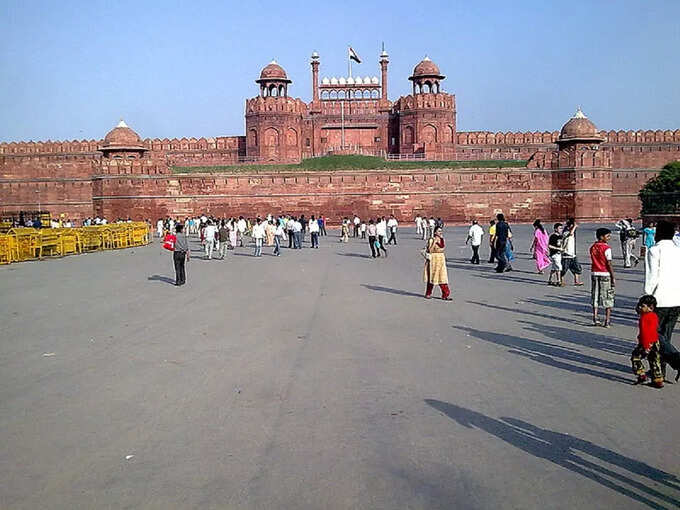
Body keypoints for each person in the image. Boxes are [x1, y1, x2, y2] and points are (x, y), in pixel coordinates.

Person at [644, 220, 680, 380]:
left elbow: (652, 277)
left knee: (654, 335)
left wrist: (647, 297)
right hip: (676, 298)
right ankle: (659, 371)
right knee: (665, 336)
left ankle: (676, 360)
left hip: (660, 299)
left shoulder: (654, 250)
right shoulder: (678, 250)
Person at [631, 295, 664, 388]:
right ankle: (658, 380)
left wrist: (646, 346)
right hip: (655, 341)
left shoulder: (645, 318)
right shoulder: (654, 316)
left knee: (635, 357)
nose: (640, 307)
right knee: (654, 361)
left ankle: (641, 374)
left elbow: (645, 333)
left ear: (650, 307)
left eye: (643, 306)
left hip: (647, 342)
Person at [590, 228, 615, 328]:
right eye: (607, 236)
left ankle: (595, 317)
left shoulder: (593, 247)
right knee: (607, 296)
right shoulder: (606, 248)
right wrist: (613, 277)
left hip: (595, 272)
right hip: (605, 273)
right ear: (602, 236)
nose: (609, 238)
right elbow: (609, 263)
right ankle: (607, 320)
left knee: (595, 295)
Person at [423, 226, 451, 300]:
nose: (440, 232)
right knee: (432, 276)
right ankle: (428, 293)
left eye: (441, 231)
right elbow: (430, 250)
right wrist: (434, 242)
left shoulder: (441, 239)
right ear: (435, 232)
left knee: (442, 276)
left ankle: (445, 294)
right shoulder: (431, 240)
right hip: (433, 260)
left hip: (441, 259)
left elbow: (442, 248)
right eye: (438, 231)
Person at [560, 219, 583, 285]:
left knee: (577, 268)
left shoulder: (571, 231)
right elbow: (571, 233)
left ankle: (576, 281)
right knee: (564, 269)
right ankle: (561, 280)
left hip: (572, 253)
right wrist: (575, 226)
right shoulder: (565, 232)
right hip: (566, 253)